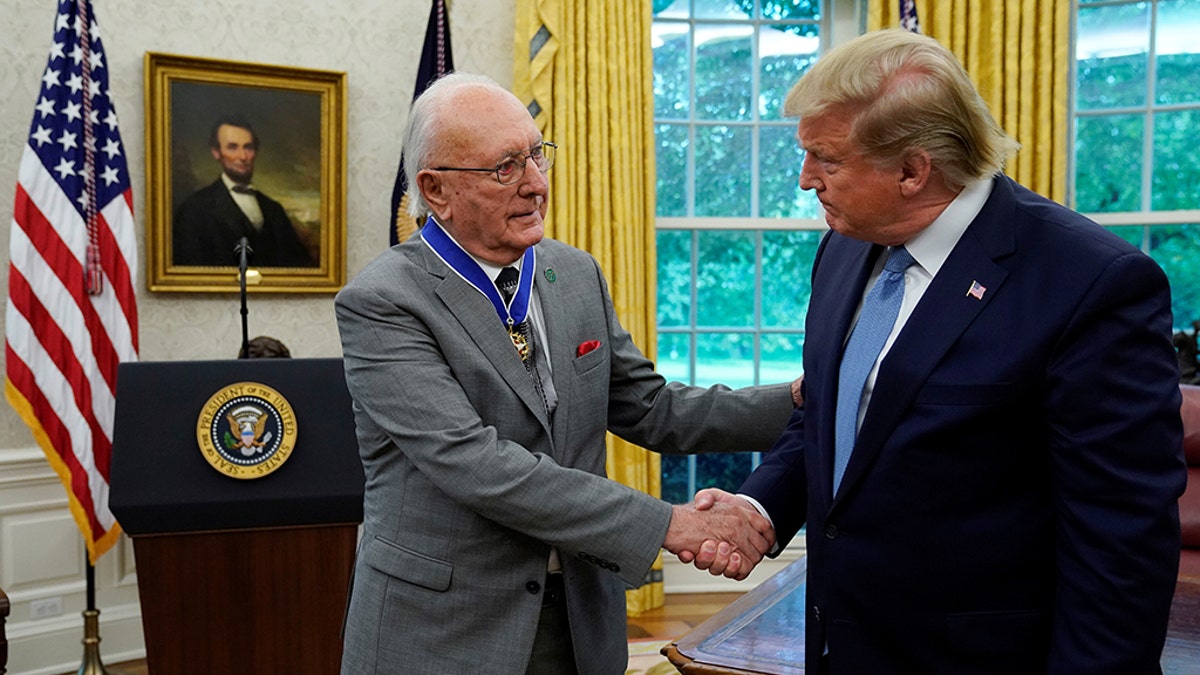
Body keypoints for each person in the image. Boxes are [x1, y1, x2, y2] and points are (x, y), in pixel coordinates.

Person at [692, 28, 1187, 674]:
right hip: (840, 647)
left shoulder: (1089, 283)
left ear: (911, 170)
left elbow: (1121, 545)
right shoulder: (844, 247)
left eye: (826, 159)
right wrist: (761, 507)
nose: (805, 179)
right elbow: (834, 414)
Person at [333, 72, 800, 675]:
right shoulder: (383, 302)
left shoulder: (572, 273)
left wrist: (801, 398)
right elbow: (479, 465)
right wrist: (670, 524)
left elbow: (651, 408)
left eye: (537, 154)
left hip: (581, 621)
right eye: (505, 167)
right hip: (444, 632)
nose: (536, 184)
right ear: (436, 189)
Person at [172, 114, 315, 267]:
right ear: (216, 152)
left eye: (248, 147)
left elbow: (300, 266)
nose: (243, 156)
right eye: (233, 147)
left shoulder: (274, 210)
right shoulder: (194, 208)